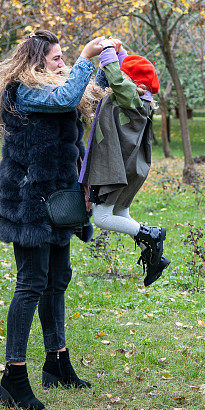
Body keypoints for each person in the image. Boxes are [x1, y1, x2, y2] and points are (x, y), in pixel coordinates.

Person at [0, 29, 106, 410]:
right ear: (38, 62)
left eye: (64, 57)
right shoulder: (25, 92)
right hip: (29, 204)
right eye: (57, 58)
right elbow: (66, 96)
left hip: (58, 202)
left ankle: (57, 363)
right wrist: (87, 57)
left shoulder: (55, 87)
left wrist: (110, 60)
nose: (63, 62)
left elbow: (91, 94)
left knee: (57, 282)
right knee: (31, 284)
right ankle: (13, 378)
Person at [79, 40, 170, 288]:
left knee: (102, 218)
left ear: (134, 83)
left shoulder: (130, 97)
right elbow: (126, 72)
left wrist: (107, 51)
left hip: (116, 167)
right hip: (130, 167)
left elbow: (118, 79)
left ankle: (150, 235)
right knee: (121, 213)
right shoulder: (142, 97)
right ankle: (155, 257)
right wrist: (119, 52)